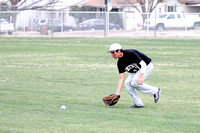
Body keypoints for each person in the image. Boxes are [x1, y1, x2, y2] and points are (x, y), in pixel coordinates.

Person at [108, 43, 161, 108]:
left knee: (134, 82)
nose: (112, 55)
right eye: (111, 53)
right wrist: (117, 93)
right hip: (136, 70)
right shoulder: (120, 63)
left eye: (113, 52)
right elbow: (121, 78)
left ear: (119, 50)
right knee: (127, 83)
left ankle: (155, 91)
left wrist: (141, 77)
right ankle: (138, 104)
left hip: (146, 66)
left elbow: (143, 64)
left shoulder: (130, 53)